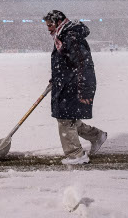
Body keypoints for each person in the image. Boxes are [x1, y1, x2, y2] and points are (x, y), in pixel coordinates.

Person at [44, 10, 107, 165]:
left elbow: (82, 64)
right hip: (66, 83)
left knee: (65, 119)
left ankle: (76, 155)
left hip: (73, 85)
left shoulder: (70, 37)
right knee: (70, 118)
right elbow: (68, 63)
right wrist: (56, 78)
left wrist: (85, 91)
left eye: (50, 25)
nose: (48, 29)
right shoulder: (64, 37)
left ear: (59, 22)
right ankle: (96, 136)